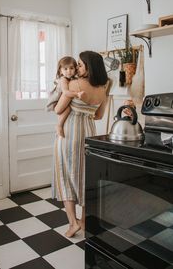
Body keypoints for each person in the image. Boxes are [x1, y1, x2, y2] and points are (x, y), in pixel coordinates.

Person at [52, 51, 108, 238]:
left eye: (81, 65)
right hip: (89, 132)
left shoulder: (74, 84)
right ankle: (84, 222)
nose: (77, 68)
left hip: (70, 133)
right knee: (86, 177)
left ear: (89, 66)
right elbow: (99, 115)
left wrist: (68, 106)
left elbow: (58, 108)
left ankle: (73, 223)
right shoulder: (103, 86)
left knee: (66, 175)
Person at [46, 56, 84, 137]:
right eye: (65, 69)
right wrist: (77, 94)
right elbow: (66, 92)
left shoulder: (72, 79)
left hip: (61, 99)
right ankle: (59, 125)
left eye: (71, 68)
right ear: (60, 71)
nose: (69, 71)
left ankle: (59, 125)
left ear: (75, 69)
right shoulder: (63, 79)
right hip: (56, 101)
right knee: (68, 108)